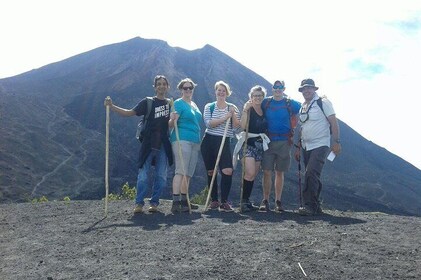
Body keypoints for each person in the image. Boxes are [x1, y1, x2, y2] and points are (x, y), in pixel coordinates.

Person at [104, 75, 173, 214]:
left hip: (163, 145)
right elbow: (129, 112)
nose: (161, 86)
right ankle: (139, 203)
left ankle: (154, 203)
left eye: (164, 84)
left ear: (168, 86)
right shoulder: (147, 102)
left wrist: (175, 119)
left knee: (161, 176)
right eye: (158, 84)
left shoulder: (171, 104)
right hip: (147, 144)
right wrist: (112, 107)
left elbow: (170, 125)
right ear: (154, 87)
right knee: (143, 175)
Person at [294, 78, 341, 216]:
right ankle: (316, 205)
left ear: (314, 89)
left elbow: (333, 122)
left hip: (321, 144)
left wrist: (336, 142)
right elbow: (303, 127)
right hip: (306, 146)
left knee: (311, 173)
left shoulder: (323, 102)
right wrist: (298, 146)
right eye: (304, 89)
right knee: (313, 175)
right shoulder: (303, 106)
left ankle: (309, 206)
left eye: (309, 88)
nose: (306, 91)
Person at [260, 80, 301, 212]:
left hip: (284, 141)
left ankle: (278, 201)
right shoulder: (266, 102)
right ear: (272, 88)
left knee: (279, 172)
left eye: (280, 87)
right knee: (266, 171)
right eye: (275, 87)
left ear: (284, 88)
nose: (278, 89)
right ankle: (265, 200)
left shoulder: (290, 104)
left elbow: (304, 108)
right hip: (268, 141)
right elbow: (254, 105)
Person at [201, 80, 241, 212]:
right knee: (211, 172)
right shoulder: (209, 106)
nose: (221, 92)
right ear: (215, 91)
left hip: (224, 142)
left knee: (227, 170)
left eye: (224, 90)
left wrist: (232, 114)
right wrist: (225, 117)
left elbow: (236, 126)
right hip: (209, 141)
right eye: (219, 90)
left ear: (227, 93)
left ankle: (224, 201)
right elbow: (209, 123)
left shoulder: (232, 107)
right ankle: (214, 200)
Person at [233, 85, 270, 212]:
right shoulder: (248, 109)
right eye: (255, 96)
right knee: (249, 172)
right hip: (248, 144)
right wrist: (244, 110)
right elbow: (243, 126)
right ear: (251, 97)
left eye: (260, 95)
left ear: (263, 97)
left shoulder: (264, 110)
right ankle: (243, 201)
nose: (258, 98)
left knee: (253, 174)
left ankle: (247, 200)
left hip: (259, 145)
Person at [169, 78, 202, 213]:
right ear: (181, 89)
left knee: (188, 173)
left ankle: (184, 200)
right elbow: (171, 124)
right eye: (185, 88)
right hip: (181, 138)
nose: (188, 90)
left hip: (195, 141)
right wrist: (172, 119)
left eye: (190, 88)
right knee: (180, 170)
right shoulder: (178, 103)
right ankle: (175, 202)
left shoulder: (193, 104)